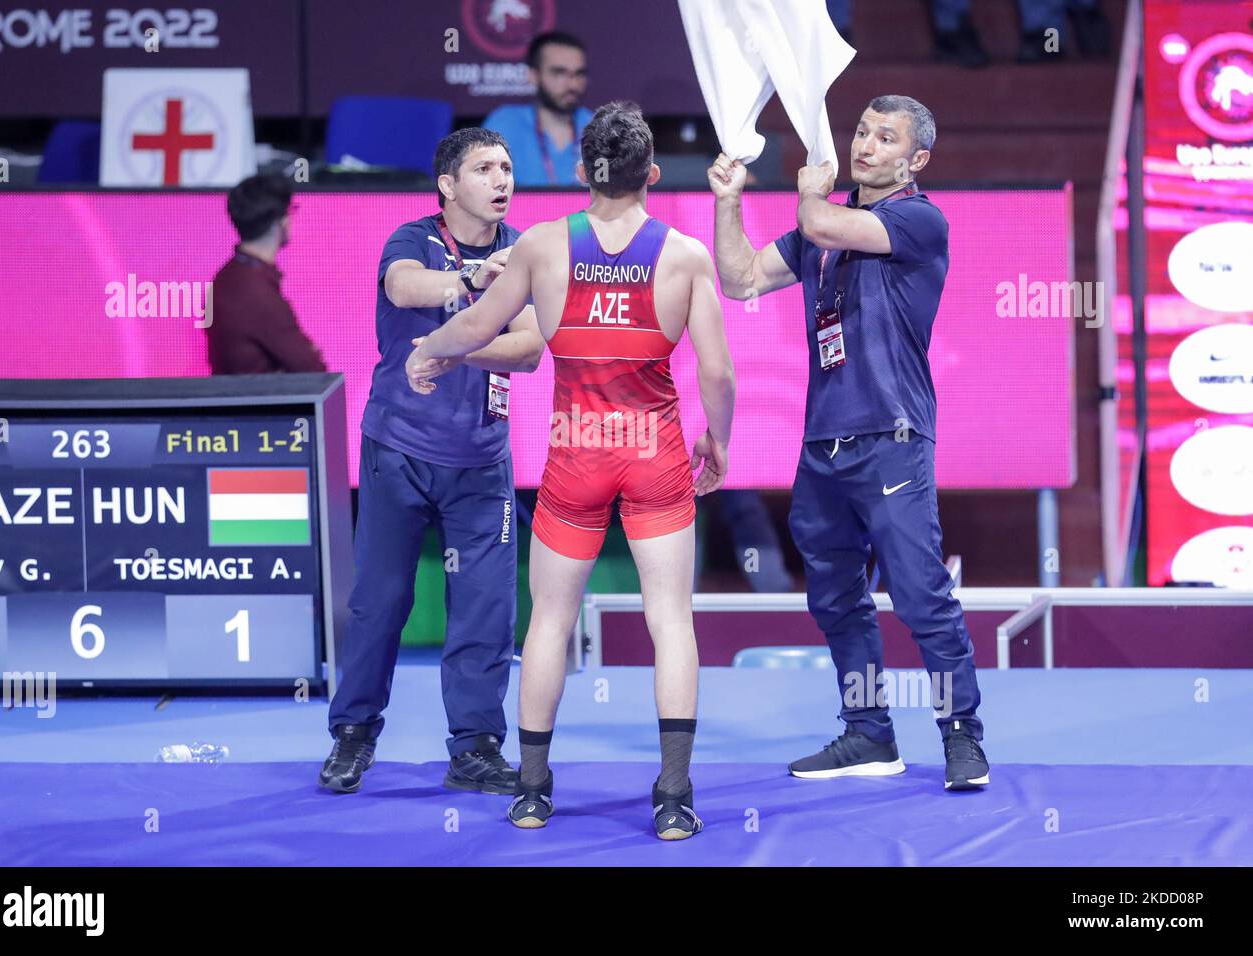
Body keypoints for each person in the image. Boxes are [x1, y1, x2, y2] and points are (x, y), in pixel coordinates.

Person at [407, 101, 736, 839]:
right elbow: (716, 372)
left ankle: (530, 790)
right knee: (670, 620)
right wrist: (717, 440)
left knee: (550, 622)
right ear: (650, 173)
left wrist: (428, 353)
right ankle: (675, 797)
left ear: (586, 171)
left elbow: (478, 324)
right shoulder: (684, 254)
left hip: (575, 453)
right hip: (653, 452)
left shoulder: (544, 247)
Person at [707, 94, 990, 791]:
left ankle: (962, 736)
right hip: (823, 445)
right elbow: (740, 277)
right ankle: (868, 732)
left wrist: (811, 188)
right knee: (835, 598)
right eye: (862, 131)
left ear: (915, 159)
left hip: (892, 438)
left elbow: (821, 217)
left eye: (884, 138)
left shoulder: (918, 220)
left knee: (922, 594)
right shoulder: (821, 235)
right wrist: (728, 201)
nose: (865, 144)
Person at [318, 128, 545, 796]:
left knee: (486, 609)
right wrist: (472, 280)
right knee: (379, 602)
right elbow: (404, 287)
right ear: (447, 185)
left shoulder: (527, 251)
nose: (502, 179)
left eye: (506, 167)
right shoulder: (413, 239)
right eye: (484, 169)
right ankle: (353, 737)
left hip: (482, 462)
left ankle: (475, 749)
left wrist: (451, 352)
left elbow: (530, 348)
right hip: (400, 452)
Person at [207, 173, 327, 374]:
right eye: (291, 211)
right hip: (263, 403)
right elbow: (312, 369)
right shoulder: (254, 292)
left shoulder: (228, 278)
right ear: (279, 222)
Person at [483, 31, 592, 187]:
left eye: (579, 74)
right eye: (559, 73)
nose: (572, 84)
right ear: (533, 76)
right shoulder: (504, 123)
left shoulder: (597, 126)